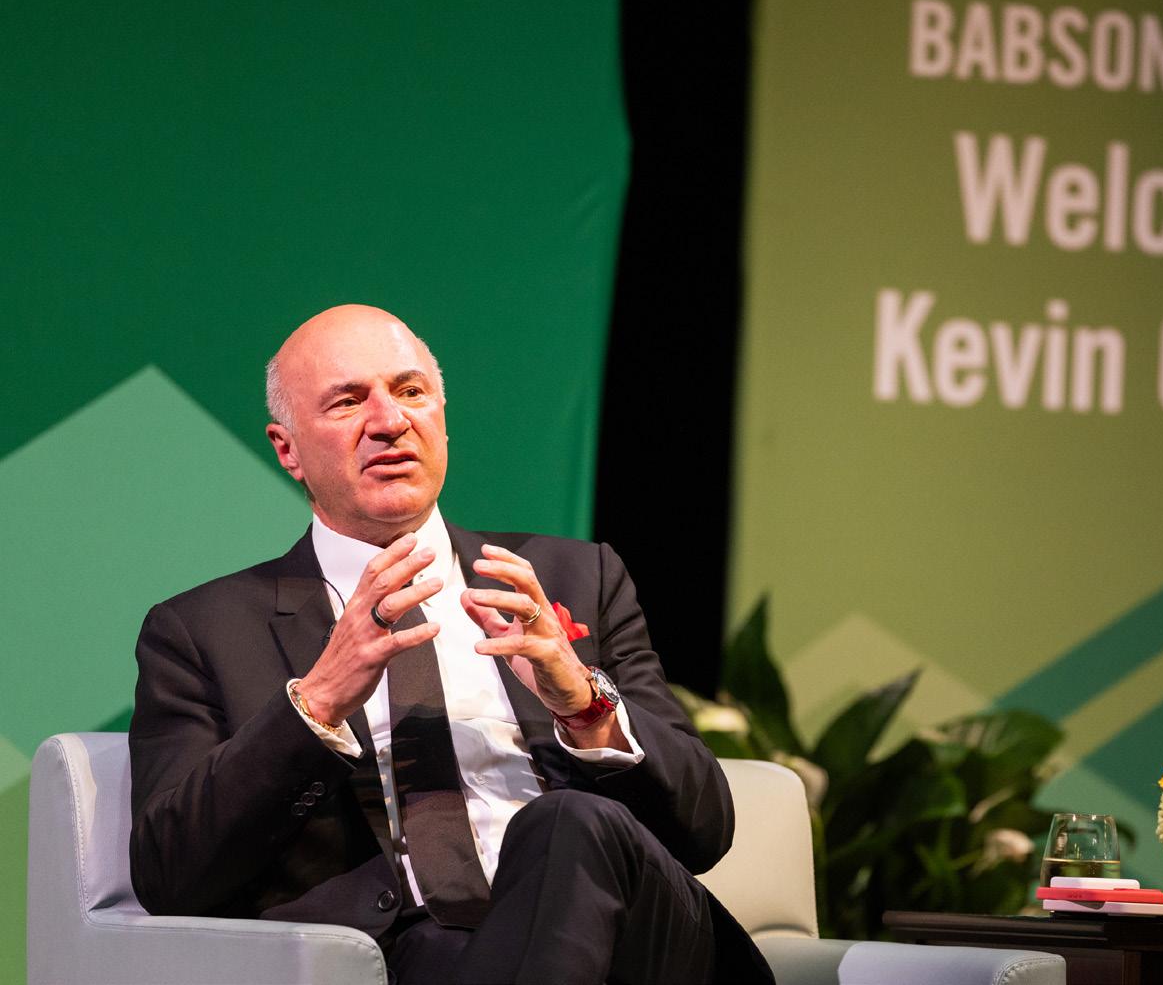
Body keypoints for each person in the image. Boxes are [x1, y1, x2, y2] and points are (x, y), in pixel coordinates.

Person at [128, 304, 773, 985]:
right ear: (287, 449)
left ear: (441, 418)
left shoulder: (576, 578)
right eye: (348, 401)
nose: (389, 421)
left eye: (410, 391)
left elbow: (704, 830)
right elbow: (170, 874)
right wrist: (315, 704)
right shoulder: (203, 631)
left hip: (636, 941)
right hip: (423, 956)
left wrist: (586, 708)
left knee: (565, 821)